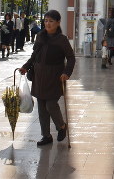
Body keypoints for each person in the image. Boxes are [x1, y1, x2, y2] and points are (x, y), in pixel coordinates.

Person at [19, 9, 76, 147]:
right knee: (42, 108)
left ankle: (61, 126)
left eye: (51, 21)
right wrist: (25, 66)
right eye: (45, 21)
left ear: (58, 23)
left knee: (51, 104)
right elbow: (34, 55)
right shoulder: (40, 36)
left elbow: (71, 58)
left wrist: (66, 73)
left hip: (55, 77)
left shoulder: (61, 39)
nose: (48, 24)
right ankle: (46, 136)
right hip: (39, 76)